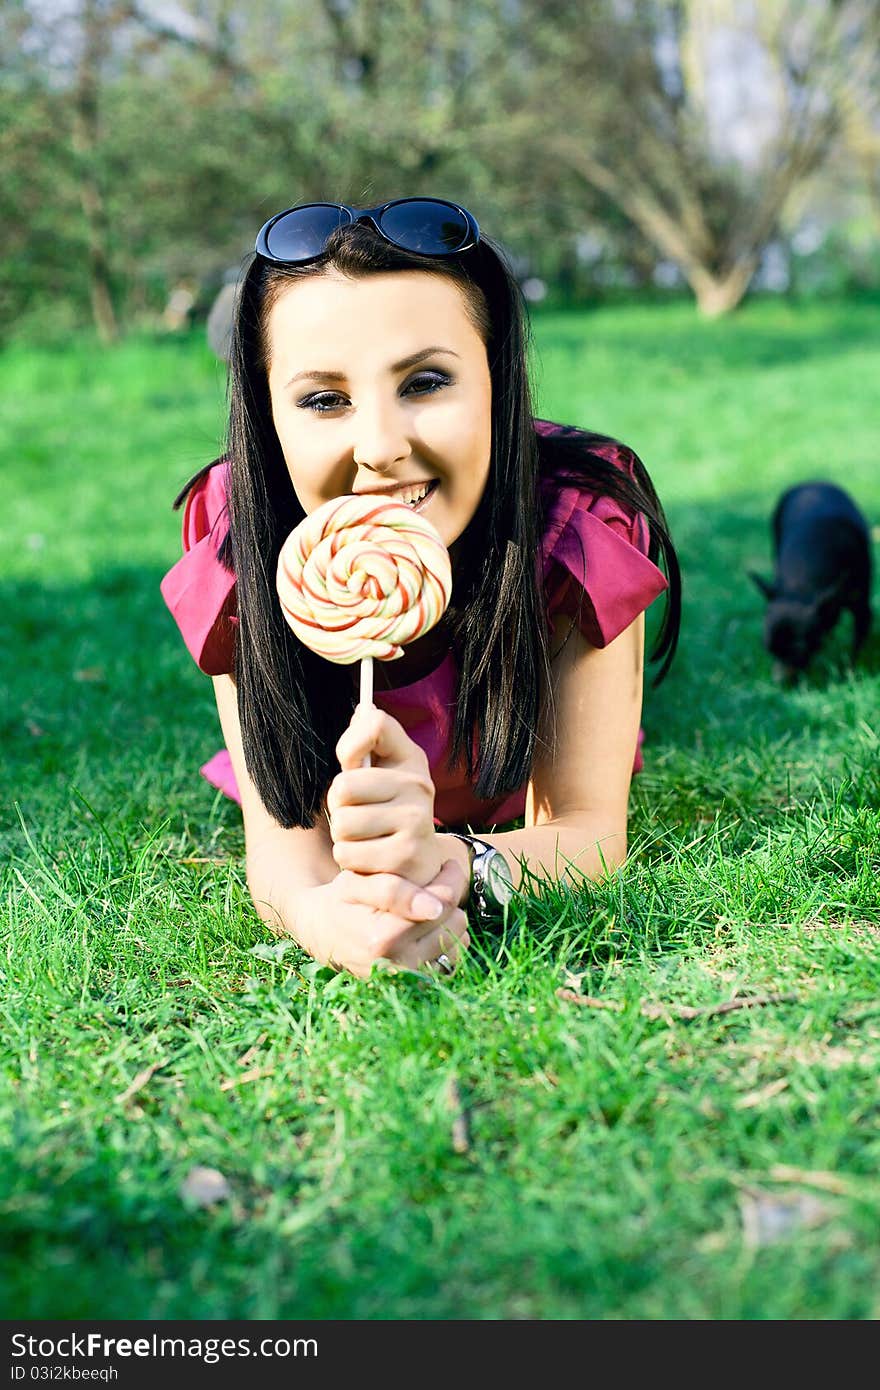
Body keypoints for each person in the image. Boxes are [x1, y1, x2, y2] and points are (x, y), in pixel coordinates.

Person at [161, 197, 681, 980]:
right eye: (323, 399)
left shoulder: (574, 527)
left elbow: (588, 832)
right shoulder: (245, 543)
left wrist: (453, 866)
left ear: (496, 383)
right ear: (267, 419)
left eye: (426, 382)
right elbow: (283, 853)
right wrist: (327, 921)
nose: (380, 448)